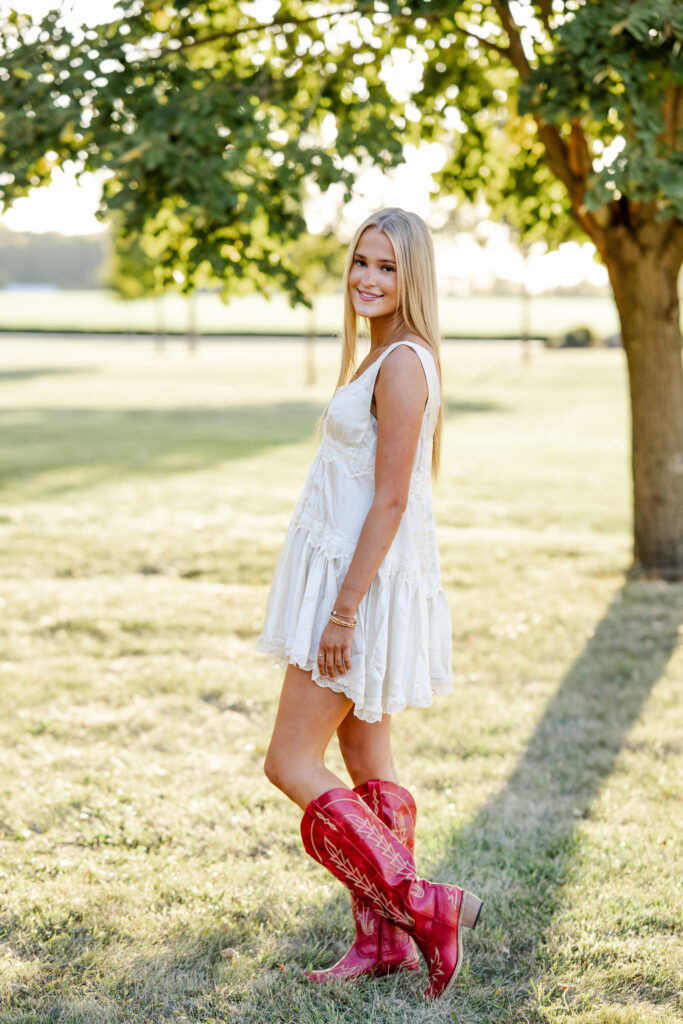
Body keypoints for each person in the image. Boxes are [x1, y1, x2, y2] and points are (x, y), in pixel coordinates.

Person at [256, 207, 482, 1000]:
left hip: (358, 588)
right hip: (348, 578)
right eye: (361, 261)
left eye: (387, 267)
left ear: (411, 278)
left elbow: (390, 501)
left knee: (289, 761)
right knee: (368, 765)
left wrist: (343, 610)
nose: (368, 278)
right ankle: (383, 942)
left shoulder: (403, 364)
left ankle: (421, 906)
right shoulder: (383, 355)